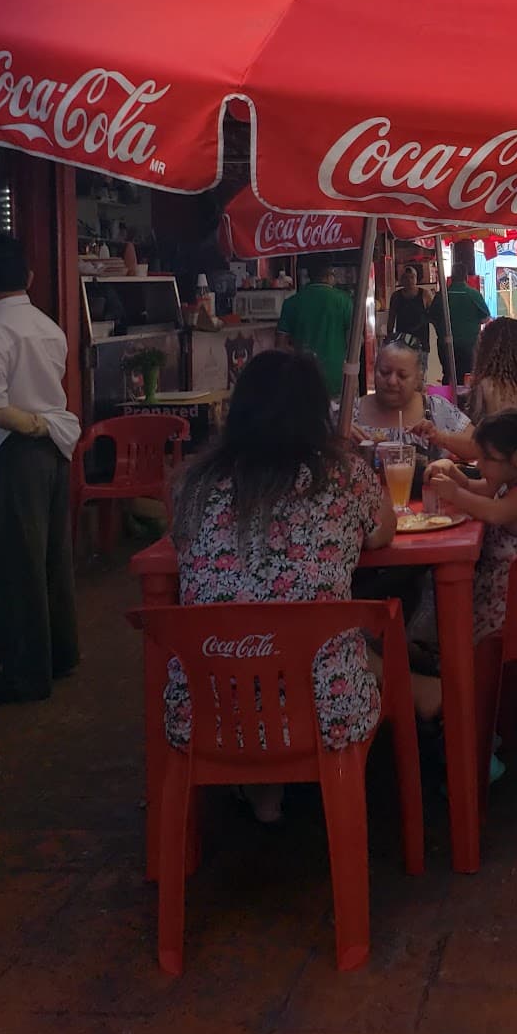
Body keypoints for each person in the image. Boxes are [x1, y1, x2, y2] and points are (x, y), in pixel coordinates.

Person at [165, 350, 396, 824]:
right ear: (317, 413)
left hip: (208, 710)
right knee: (344, 636)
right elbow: (381, 534)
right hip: (325, 707)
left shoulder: (193, 483)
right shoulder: (346, 476)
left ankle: (260, 787)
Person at [0, 234, 81, 707]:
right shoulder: (47, 326)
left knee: (13, 567)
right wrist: (41, 425)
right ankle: (59, 655)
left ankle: (25, 675)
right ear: (28, 277)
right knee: (50, 560)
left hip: (10, 453)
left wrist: (29, 425)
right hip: (50, 451)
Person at [426, 408, 517, 643]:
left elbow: (494, 512)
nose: (480, 465)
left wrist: (454, 493)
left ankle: (456, 657)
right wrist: (453, 472)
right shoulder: (507, 481)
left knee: (446, 608)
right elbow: (476, 488)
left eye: (487, 459)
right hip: (500, 588)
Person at [419, 316, 517, 462]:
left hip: (506, 468)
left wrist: (440, 437)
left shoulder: (487, 386)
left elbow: (477, 442)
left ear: (486, 351)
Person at [352, 337, 471, 460]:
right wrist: (340, 435)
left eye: (402, 376)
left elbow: (476, 447)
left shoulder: (435, 408)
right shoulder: (349, 412)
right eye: (385, 372)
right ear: (374, 371)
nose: (392, 381)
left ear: (417, 379)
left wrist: (439, 437)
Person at [276, 256, 352, 399]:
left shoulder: (292, 302)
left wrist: (300, 353)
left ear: (309, 276)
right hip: (337, 377)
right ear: (330, 275)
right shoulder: (344, 301)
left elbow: (280, 345)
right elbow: (353, 342)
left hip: (302, 377)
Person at [428, 269, 490, 382]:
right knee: (468, 377)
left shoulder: (442, 295)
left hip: (446, 344)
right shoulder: (473, 294)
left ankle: (448, 394)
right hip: (469, 345)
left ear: (452, 277)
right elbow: (486, 318)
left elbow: (431, 318)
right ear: (466, 278)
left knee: (448, 375)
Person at [386, 263, 433, 356]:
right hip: (403, 341)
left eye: (412, 277)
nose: (409, 280)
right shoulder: (396, 296)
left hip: (421, 341)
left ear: (416, 278)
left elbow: (433, 314)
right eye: (406, 278)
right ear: (402, 280)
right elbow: (391, 318)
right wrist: (389, 336)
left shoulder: (425, 294)